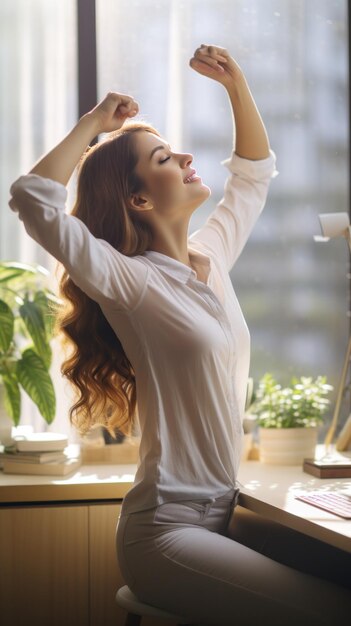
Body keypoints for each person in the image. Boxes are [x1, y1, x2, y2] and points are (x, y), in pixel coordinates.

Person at [8, 44, 351, 626]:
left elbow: (253, 176)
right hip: (165, 535)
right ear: (138, 199)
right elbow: (33, 200)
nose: (188, 157)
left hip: (225, 513)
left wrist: (236, 84)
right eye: (166, 157)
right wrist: (94, 125)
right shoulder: (129, 281)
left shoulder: (212, 258)